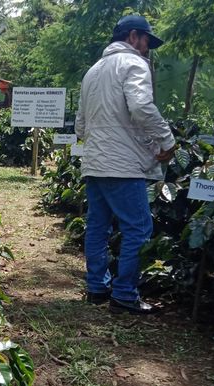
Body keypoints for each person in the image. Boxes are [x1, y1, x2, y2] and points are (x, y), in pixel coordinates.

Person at [75, 14, 176, 314]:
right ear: (134, 37)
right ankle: (124, 294)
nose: (147, 49)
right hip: (123, 165)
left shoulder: (92, 71)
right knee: (139, 229)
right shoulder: (133, 64)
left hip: (94, 163)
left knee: (97, 228)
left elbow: (80, 126)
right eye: (147, 42)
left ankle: (97, 288)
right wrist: (167, 140)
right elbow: (142, 107)